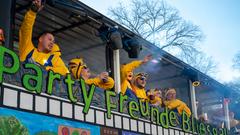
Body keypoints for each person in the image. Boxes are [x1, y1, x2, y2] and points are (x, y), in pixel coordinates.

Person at [19, 0, 69, 75]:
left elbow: (65, 72)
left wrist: (44, 69)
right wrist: (32, 13)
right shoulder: (27, 48)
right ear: (40, 39)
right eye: (49, 39)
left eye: (53, 41)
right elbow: (26, 29)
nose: (52, 42)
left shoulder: (55, 59)